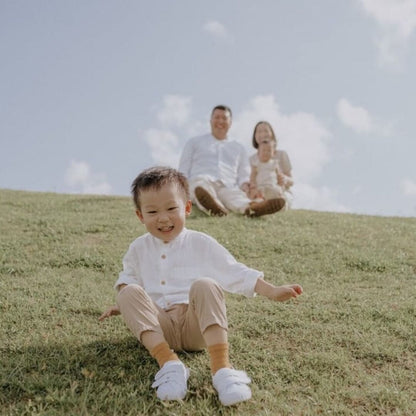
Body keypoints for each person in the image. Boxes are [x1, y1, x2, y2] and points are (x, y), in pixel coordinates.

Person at [99, 166, 303, 406]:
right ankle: (169, 364)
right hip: (159, 327)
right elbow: (129, 280)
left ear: (186, 207)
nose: (163, 218)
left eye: (171, 208)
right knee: (128, 290)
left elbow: (234, 271)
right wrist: (124, 304)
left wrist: (271, 290)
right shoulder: (138, 248)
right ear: (140, 216)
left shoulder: (200, 243)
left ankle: (222, 370)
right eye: (152, 211)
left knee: (205, 284)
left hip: (195, 326)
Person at [178, 105, 285, 217]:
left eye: (224, 118)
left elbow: (244, 174)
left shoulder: (238, 148)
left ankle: (252, 207)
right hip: (201, 180)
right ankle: (215, 207)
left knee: (236, 196)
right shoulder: (194, 142)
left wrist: (246, 185)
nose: (220, 121)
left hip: (228, 185)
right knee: (199, 186)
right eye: (217, 117)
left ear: (230, 122)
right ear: (210, 120)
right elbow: (183, 169)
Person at [250, 121, 294, 208]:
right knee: (256, 200)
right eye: (259, 131)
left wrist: (285, 179)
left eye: (266, 131)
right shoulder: (252, 159)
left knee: (282, 199)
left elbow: (292, 181)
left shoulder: (281, 154)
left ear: (272, 134)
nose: (262, 134)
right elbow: (251, 178)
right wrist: (253, 188)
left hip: (280, 191)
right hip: (260, 191)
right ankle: (261, 205)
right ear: (255, 137)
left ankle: (278, 205)